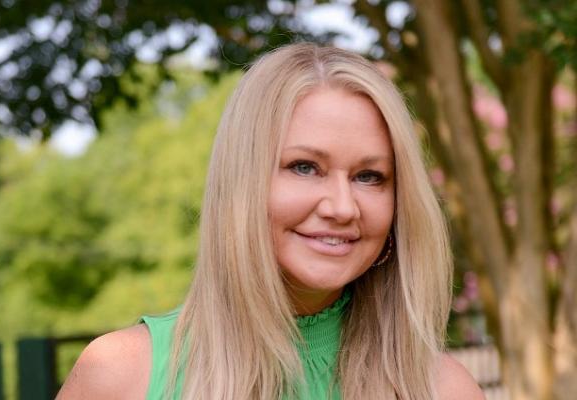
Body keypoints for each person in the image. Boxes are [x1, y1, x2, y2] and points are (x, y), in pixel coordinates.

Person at [57, 43, 485, 400]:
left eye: (369, 176)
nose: (342, 207)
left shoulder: (443, 389)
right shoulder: (121, 375)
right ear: (242, 182)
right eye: (304, 167)